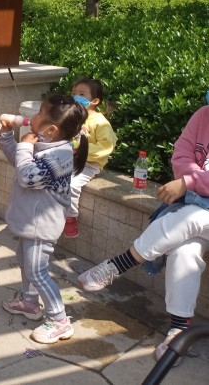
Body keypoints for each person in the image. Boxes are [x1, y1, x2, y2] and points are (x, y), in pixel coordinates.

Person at [78, 104, 209, 365]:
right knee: (185, 250)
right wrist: (190, 181)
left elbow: (185, 178)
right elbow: (181, 157)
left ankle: (120, 263)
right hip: (198, 206)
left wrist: (190, 182)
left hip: (196, 209)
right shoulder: (204, 115)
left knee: (191, 218)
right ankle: (179, 329)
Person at [0, 95, 89, 344]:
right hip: (31, 222)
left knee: (37, 272)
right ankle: (29, 303)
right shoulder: (46, 143)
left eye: (39, 113)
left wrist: (25, 146)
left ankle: (59, 320)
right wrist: (7, 137)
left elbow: (27, 176)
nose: (33, 116)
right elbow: (20, 163)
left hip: (41, 226)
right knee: (25, 262)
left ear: (51, 129)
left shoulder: (59, 156)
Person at [64, 77, 118, 238]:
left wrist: (80, 148)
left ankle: (70, 218)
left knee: (72, 184)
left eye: (81, 94)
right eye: (73, 93)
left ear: (95, 101)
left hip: (90, 163)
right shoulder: (73, 115)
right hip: (70, 158)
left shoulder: (100, 122)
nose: (75, 97)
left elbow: (106, 146)